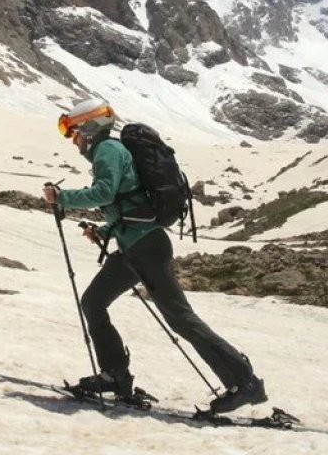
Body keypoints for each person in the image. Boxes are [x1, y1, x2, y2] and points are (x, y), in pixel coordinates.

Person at [42, 98, 267, 414]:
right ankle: (115, 375)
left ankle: (245, 381)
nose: (72, 139)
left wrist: (61, 197)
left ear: (89, 127)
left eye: (73, 131)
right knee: (93, 302)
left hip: (147, 249)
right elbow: (125, 205)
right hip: (136, 248)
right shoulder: (109, 152)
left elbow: (105, 193)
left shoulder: (107, 151)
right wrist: (104, 233)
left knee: (181, 319)